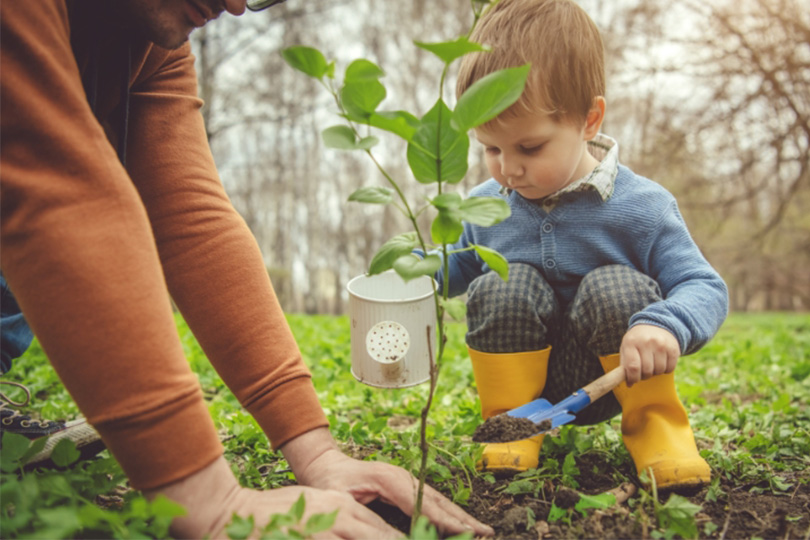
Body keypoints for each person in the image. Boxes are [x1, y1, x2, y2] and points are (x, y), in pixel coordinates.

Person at [0, 1, 494, 538]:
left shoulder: (147, 43)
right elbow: (51, 187)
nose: (237, 6)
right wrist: (207, 498)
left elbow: (189, 217)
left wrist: (318, 454)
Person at [440, 0, 729, 491]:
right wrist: (413, 272)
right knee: (503, 283)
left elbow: (704, 285)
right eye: (490, 148)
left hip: (620, 377)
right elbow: (459, 269)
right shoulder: (485, 205)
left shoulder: (642, 206)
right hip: (529, 383)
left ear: (589, 120)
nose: (507, 169)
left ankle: (657, 428)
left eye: (528, 148)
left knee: (612, 284)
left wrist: (667, 326)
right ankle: (513, 428)